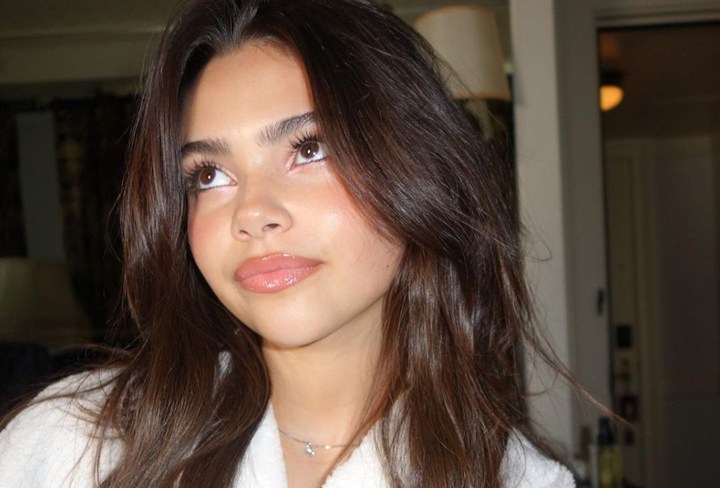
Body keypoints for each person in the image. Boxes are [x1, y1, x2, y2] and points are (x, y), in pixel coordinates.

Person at [0, 0, 575, 486]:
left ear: (417, 168)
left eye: (309, 148)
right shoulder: (71, 446)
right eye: (208, 175)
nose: (251, 214)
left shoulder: (521, 480)